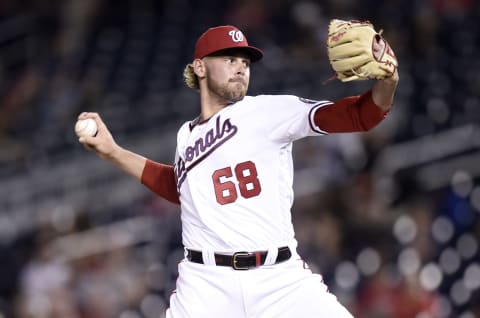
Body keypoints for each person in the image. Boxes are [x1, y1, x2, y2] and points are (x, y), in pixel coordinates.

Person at [77, 24, 399, 318]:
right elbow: (181, 190)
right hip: (205, 284)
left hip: (279, 278)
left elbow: (362, 115)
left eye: (244, 62)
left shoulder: (269, 111)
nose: (241, 67)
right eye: (229, 59)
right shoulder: (185, 136)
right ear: (200, 67)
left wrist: (389, 80)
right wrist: (114, 152)